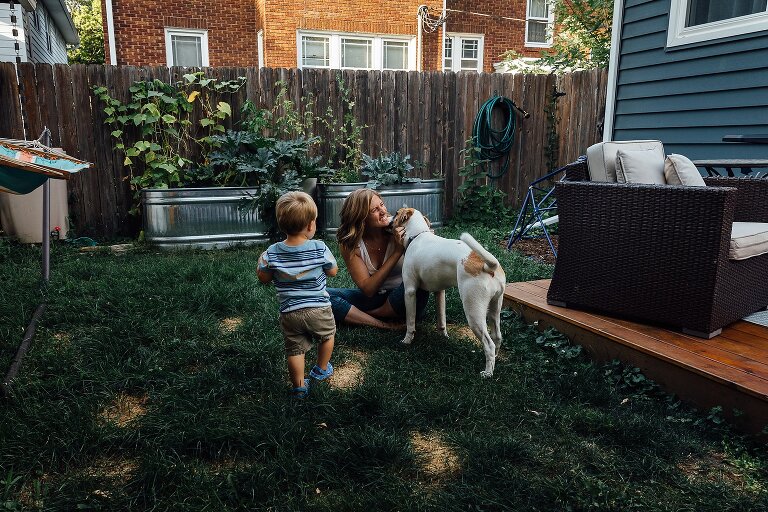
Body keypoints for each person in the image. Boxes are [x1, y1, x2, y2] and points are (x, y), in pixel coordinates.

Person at [257, 191, 338, 398]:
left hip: (290, 312)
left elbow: (264, 279)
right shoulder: (319, 248)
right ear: (311, 225)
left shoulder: (271, 253)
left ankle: (299, 387)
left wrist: (262, 265)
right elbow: (333, 271)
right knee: (327, 336)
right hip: (319, 307)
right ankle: (321, 369)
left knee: (295, 350)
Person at [328, 188, 428, 329]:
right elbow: (368, 289)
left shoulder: (400, 228)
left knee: (420, 277)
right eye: (374, 210)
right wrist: (396, 252)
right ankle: (382, 323)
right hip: (374, 298)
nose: (383, 211)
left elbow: (426, 260)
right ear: (361, 218)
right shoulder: (351, 245)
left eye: (381, 204)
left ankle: (363, 314)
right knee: (323, 295)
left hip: (404, 296)